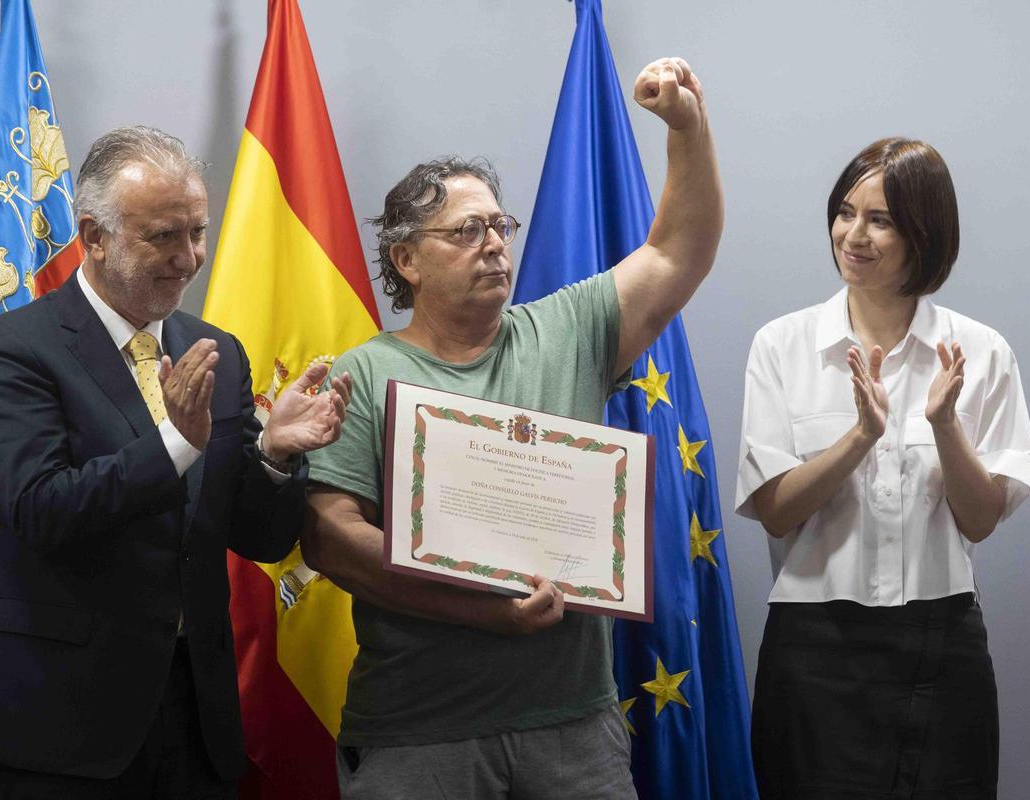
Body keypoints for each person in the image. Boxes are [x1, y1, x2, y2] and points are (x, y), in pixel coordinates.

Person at [302, 57, 721, 798]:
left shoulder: (569, 329)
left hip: (574, 732)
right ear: (407, 259)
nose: (495, 243)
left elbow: (674, 252)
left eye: (501, 224)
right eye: (467, 230)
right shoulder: (361, 373)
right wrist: (483, 610)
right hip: (416, 734)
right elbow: (331, 538)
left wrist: (686, 127)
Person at [0, 126, 352, 798]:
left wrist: (277, 454)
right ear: (96, 234)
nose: (189, 257)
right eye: (164, 236)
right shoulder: (14, 348)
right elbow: (40, 509)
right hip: (61, 718)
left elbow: (255, 536)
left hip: (195, 713)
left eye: (198, 232)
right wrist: (177, 443)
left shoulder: (214, 351)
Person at [736, 138, 1030, 799]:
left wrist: (944, 424)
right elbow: (778, 510)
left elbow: (980, 520)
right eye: (845, 213)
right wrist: (861, 436)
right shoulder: (782, 346)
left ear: (925, 235)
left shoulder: (980, 352)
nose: (854, 235)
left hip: (942, 643)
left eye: (881, 220)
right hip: (815, 646)